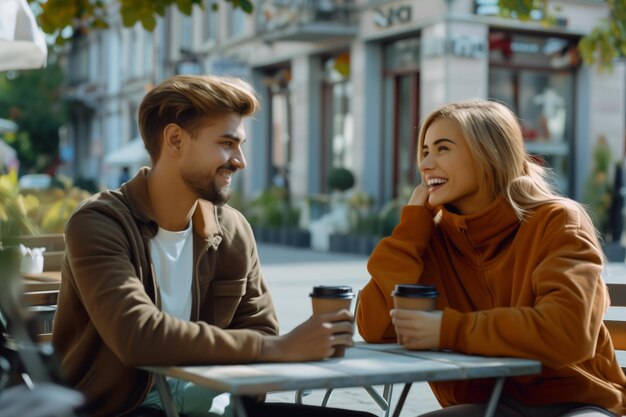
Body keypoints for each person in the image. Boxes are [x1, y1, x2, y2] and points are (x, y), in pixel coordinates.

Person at [52, 75, 374, 417]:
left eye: (240, 145)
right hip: (124, 410)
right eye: (227, 143)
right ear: (175, 139)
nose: (240, 160)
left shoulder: (232, 228)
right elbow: (137, 335)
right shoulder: (100, 223)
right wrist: (278, 348)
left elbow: (260, 328)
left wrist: (286, 346)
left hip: (223, 408)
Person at [357, 100, 626, 417]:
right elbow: (375, 328)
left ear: (488, 154)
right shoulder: (430, 237)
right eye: (425, 151)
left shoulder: (556, 220)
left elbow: (568, 330)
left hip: (576, 402)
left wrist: (448, 330)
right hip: (486, 407)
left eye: (443, 149)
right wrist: (410, 232)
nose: (426, 165)